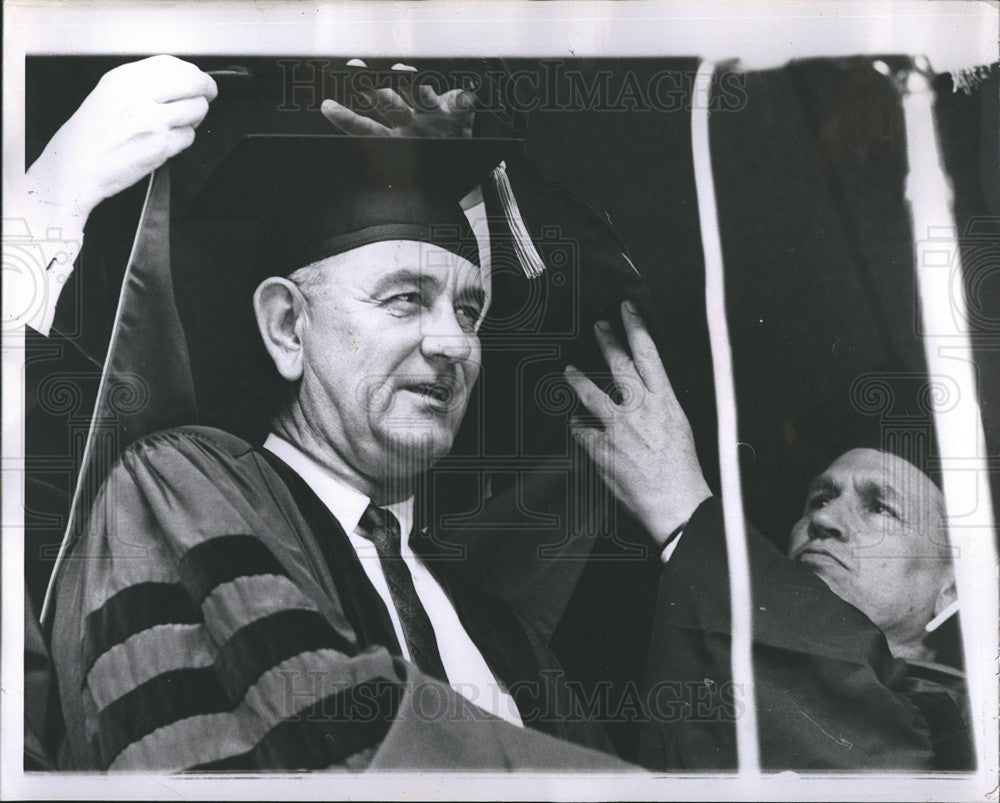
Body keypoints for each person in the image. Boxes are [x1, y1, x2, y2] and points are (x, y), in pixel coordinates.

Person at [561, 308, 972, 770]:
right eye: (819, 497)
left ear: (950, 589)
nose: (825, 519)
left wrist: (683, 512)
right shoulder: (687, 666)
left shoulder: (965, 728)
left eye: (879, 507)